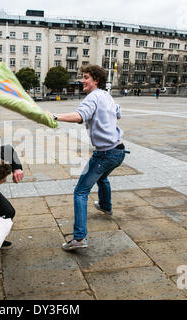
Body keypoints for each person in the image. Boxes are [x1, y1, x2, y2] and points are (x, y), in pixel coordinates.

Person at [45, 64, 128, 251]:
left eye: (86, 77)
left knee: (80, 192)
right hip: (119, 151)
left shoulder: (93, 97)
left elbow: (79, 116)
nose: (82, 80)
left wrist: (55, 116)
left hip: (106, 153)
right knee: (102, 177)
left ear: (95, 81)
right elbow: (118, 114)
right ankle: (105, 206)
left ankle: (79, 239)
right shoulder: (106, 95)